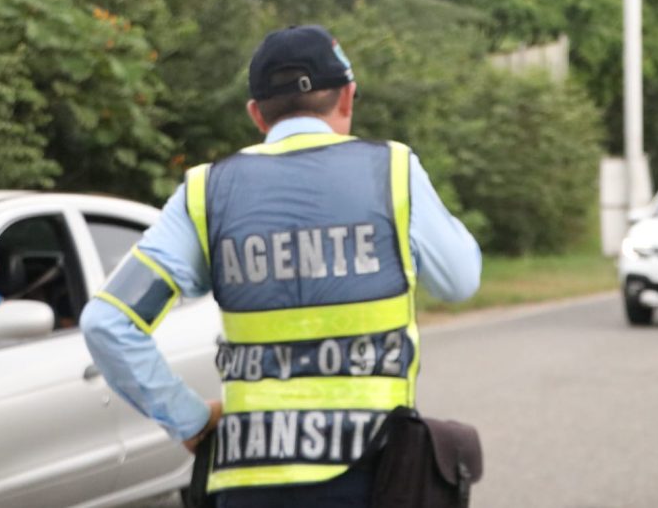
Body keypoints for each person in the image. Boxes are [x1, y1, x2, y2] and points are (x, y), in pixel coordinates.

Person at [81, 25, 482, 507]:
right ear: (348, 98)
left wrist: (186, 418)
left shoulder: (206, 192)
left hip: (248, 481)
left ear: (256, 114)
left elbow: (107, 322)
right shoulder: (393, 170)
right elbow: (460, 281)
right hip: (374, 474)